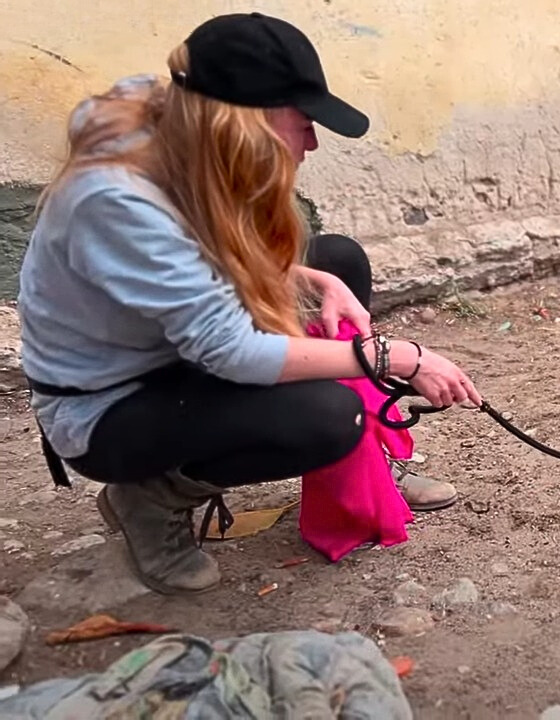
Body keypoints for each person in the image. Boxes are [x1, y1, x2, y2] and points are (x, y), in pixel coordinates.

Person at [17, 12, 482, 596]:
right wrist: (395, 358)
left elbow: (199, 259)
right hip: (111, 406)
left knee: (335, 262)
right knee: (327, 419)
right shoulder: (116, 200)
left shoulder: (180, 130)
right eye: (304, 122)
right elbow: (230, 351)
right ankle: (149, 498)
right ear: (244, 122)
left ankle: (363, 461)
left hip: (170, 353)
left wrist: (309, 278)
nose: (312, 141)